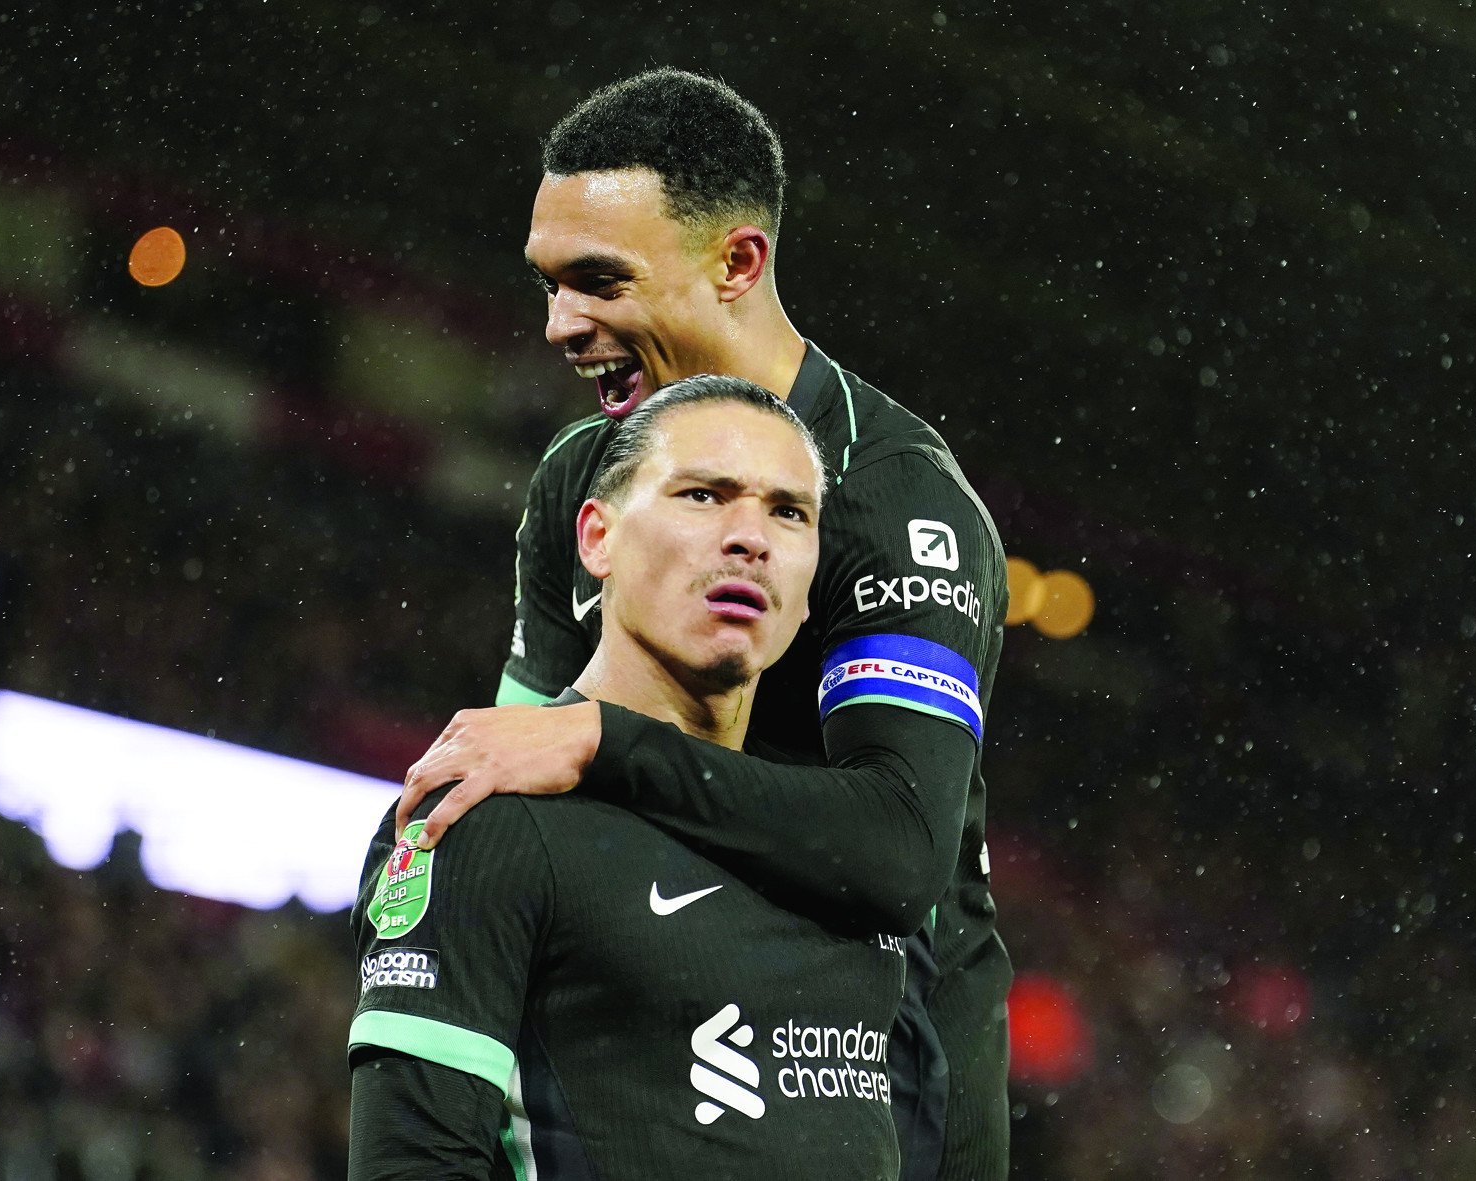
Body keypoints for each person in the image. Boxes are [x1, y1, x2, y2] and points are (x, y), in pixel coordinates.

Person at [397, 69, 1012, 1181]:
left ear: (736, 263)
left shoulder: (895, 501)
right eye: (546, 284)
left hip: (874, 1096)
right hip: (648, 1065)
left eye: (597, 281)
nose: (558, 324)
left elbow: (892, 851)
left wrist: (601, 741)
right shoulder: (582, 476)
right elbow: (500, 778)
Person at [347, 377, 905, 1179]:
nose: (751, 536)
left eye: (789, 511)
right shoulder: (488, 812)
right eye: (703, 495)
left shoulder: (843, 844)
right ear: (597, 538)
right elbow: (413, 1164)